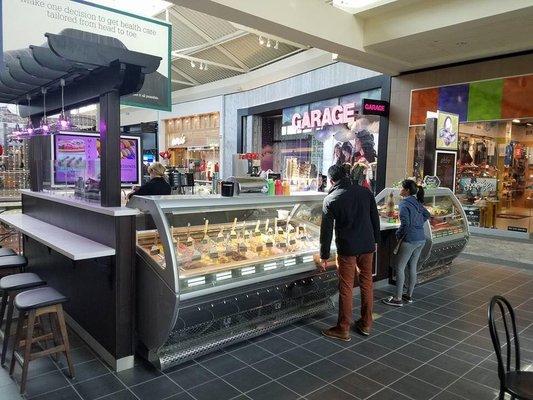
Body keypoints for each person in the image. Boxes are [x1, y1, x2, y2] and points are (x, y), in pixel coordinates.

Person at [318, 164, 381, 341]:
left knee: (346, 286)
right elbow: (374, 218)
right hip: (367, 245)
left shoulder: (331, 199)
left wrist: (324, 255)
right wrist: (376, 241)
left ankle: (343, 328)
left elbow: (326, 231)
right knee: (367, 283)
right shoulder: (365, 192)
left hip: (347, 248)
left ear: (331, 180)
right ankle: (366, 323)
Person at [383, 180, 430, 307]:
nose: (400, 190)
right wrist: (418, 223)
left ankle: (397, 299)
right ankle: (408, 296)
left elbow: (405, 224)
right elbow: (427, 214)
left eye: (402, 188)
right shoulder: (417, 202)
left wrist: (398, 234)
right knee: (412, 267)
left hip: (410, 239)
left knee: (399, 267)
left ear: (407, 190)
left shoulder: (404, 203)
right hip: (421, 238)